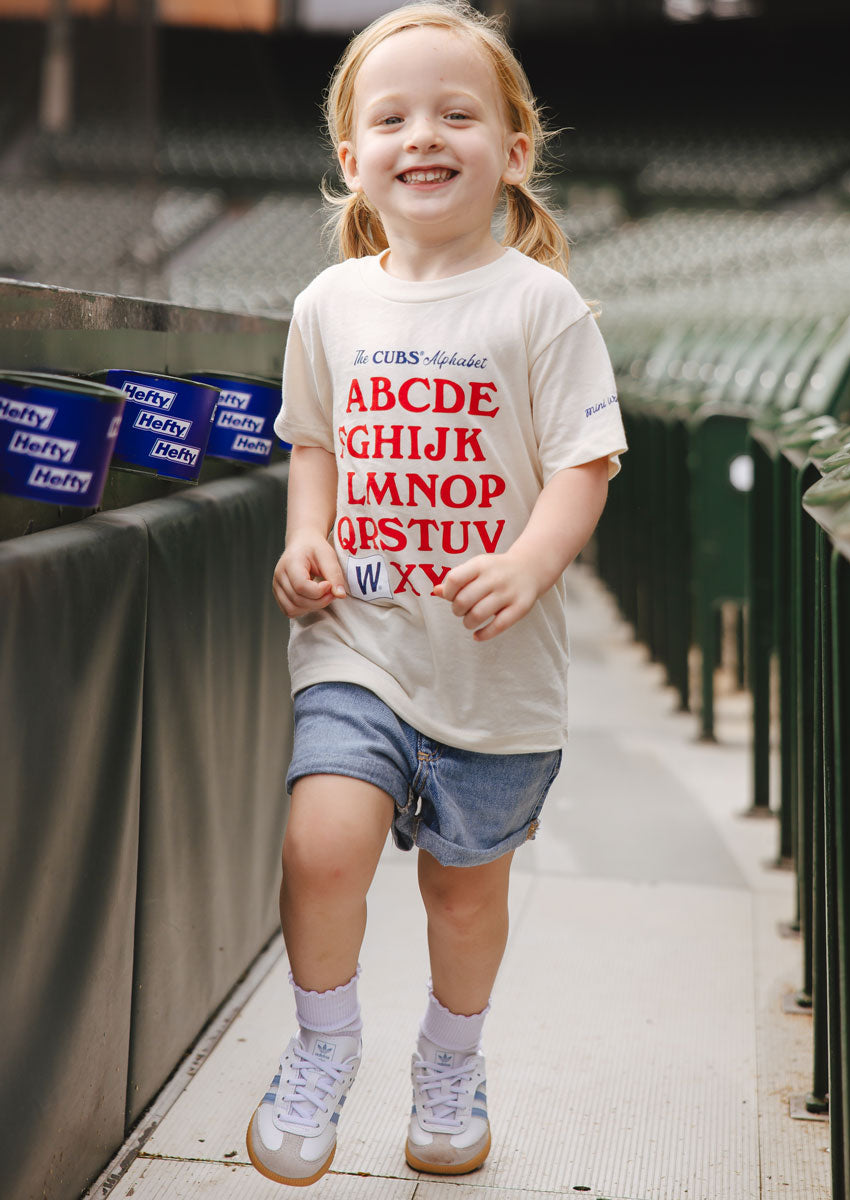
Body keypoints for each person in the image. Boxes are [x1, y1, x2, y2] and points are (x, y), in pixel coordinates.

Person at [246, 0, 627, 1187]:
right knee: (320, 846)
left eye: (457, 113)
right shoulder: (329, 305)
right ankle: (322, 1047)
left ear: (512, 152)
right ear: (350, 156)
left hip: (494, 676)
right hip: (357, 641)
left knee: (463, 896)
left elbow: (584, 462)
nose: (424, 134)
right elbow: (313, 441)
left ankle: (449, 1066)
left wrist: (527, 561)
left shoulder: (540, 305)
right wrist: (305, 539)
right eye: (392, 115)